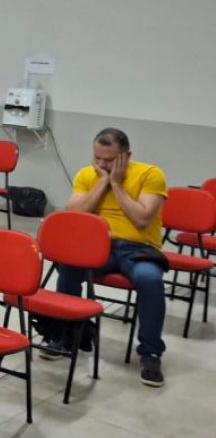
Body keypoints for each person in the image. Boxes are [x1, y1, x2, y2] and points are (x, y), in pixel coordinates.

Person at [56, 128, 168, 387]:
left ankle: (150, 352)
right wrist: (103, 181)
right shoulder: (88, 174)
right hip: (97, 246)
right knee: (68, 266)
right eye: (98, 158)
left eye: (110, 160)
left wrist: (116, 183)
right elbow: (75, 213)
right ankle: (69, 333)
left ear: (127, 155)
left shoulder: (151, 174)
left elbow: (141, 218)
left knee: (149, 280)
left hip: (138, 249)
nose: (102, 164)